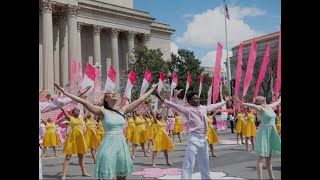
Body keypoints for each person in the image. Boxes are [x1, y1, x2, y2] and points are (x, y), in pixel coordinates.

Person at [54, 82, 157, 180]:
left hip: (121, 147)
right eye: (110, 93)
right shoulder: (101, 111)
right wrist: (64, 92)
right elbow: (84, 101)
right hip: (108, 145)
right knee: (105, 174)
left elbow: (140, 99)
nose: (113, 93)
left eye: (114, 93)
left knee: (121, 176)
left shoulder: (123, 110)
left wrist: (152, 89)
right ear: (106, 99)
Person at [154, 90, 231, 179]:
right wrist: (159, 97)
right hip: (194, 138)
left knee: (205, 162)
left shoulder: (203, 108)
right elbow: (173, 105)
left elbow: (215, 105)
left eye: (197, 97)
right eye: (195, 98)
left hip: (203, 138)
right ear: (189, 101)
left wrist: (225, 101)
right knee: (189, 161)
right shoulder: (188, 110)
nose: (197, 99)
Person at [234, 96, 281, 180]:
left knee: (268, 157)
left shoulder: (269, 106)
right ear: (258, 101)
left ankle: (271, 177)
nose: (260, 96)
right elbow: (250, 105)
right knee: (261, 157)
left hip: (271, 133)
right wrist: (240, 102)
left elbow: (277, 102)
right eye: (257, 98)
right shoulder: (260, 108)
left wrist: (279, 99)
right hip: (263, 133)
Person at [61, 107, 90, 179]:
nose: (77, 111)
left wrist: (84, 103)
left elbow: (87, 111)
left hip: (80, 139)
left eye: (78, 110)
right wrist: (59, 103)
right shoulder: (70, 118)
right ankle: (64, 175)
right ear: (72, 113)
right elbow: (63, 110)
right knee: (68, 157)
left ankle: (84, 172)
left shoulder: (81, 118)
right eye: (75, 110)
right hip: (72, 138)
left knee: (81, 157)